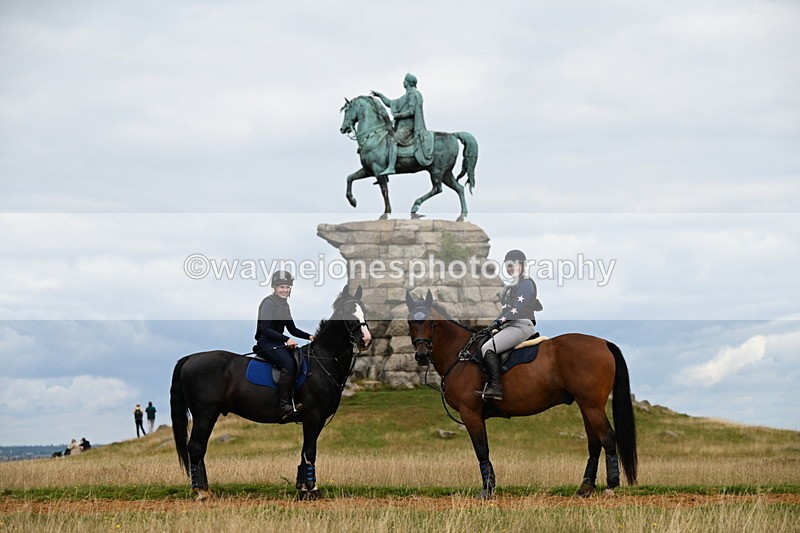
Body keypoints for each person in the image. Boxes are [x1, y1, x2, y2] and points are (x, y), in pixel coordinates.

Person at [476, 249, 542, 400]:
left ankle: (496, 388)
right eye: (509, 266)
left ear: (523, 266)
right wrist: (492, 326)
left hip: (520, 325)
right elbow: (506, 311)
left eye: (514, 265)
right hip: (511, 325)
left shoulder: (525, 284)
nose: (511, 268)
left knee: (488, 348)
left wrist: (498, 323)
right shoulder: (513, 285)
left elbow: (516, 310)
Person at [255, 270, 315, 420]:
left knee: (299, 359)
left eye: (287, 287)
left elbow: (292, 328)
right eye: (281, 287)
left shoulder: (284, 305)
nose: (285, 290)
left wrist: (309, 336)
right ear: (274, 287)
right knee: (289, 363)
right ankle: (284, 406)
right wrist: (287, 339)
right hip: (266, 342)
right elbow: (266, 329)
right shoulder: (268, 303)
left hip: (278, 342)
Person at [371, 72, 433, 175]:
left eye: (404, 80)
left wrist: (399, 116)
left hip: (408, 127)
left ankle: (391, 167)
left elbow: (412, 111)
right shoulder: (406, 96)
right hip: (401, 127)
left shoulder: (414, 94)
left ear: (408, 82)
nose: (403, 82)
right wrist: (380, 96)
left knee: (393, 140)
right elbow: (390, 103)